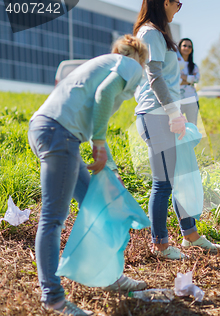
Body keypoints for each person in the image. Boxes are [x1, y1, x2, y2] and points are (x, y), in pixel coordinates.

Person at [28, 35, 149, 315]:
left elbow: (89, 112)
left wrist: (109, 165)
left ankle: (109, 276)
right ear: (137, 58)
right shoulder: (129, 65)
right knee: (52, 218)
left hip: (48, 130)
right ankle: (53, 297)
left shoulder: (101, 62)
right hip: (60, 135)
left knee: (97, 205)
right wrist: (99, 142)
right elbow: (104, 96)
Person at [133, 0, 220, 260]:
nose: (179, 8)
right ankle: (160, 245)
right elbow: (155, 77)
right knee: (163, 183)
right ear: (164, 2)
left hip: (167, 113)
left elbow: (168, 81)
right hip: (155, 115)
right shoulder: (149, 32)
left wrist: (177, 113)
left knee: (180, 176)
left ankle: (190, 235)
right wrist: (173, 112)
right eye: (178, 3)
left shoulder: (159, 33)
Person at [178, 38, 201, 125]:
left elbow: (196, 79)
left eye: (189, 46)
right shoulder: (175, 64)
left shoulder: (193, 66)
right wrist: (189, 80)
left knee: (192, 125)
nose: (187, 48)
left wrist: (182, 77)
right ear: (180, 47)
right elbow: (174, 80)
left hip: (192, 99)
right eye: (184, 46)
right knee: (177, 126)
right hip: (178, 100)